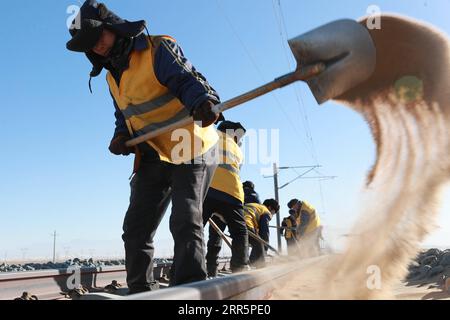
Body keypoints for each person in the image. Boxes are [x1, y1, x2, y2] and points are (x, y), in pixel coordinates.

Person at [66, 0, 224, 292]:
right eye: (90, 44)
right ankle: (141, 292)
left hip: (190, 144)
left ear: (113, 27)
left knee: (186, 219)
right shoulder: (112, 77)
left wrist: (203, 101)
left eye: (98, 36)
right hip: (152, 153)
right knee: (136, 227)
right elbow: (124, 115)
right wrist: (120, 136)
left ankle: (190, 290)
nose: (97, 46)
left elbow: (186, 79)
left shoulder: (156, 49)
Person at [203, 121, 249, 277]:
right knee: (240, 232)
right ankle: (241, 269)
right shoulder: (238, 150)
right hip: (233, 195)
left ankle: (190, 269)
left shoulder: (209, 134)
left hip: (207, 189)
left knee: (193, 229)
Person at [243, 199, 280, 268]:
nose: (272, 215)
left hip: (236, 224)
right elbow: (264, 231)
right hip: (247, 224)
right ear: (270, 208)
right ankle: (258, 266)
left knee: (241, 244)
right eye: (273, 213)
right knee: (260, 243)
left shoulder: (256, 206)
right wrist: (265, 244)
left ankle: (240, 266)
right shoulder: (266, 211)